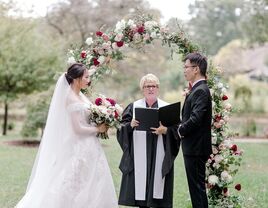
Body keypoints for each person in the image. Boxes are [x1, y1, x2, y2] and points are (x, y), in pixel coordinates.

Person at [15, 63, 118, 208]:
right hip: (78, 146)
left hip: (90, 145)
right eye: (86, 77)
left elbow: (87, 116)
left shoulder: (80, 94)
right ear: (76, 79)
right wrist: (97, 129)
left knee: (92, 180)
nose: (89, 80)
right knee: (75, 181)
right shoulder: (70, 98)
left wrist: (102, 115)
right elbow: (77, 128)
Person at [117, 74, 180, 208]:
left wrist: (165, 130)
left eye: (154, 86)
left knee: (158, 188)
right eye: (147, 86)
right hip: (140, 152)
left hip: (160, 150)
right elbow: (120, 128)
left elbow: (177, 130)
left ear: (158, 88)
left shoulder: (167, 107)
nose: (151, 89)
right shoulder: (133, 107)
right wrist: (130, 125)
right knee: (141, 189)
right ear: (142, 89)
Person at [178, 52, 212, 208]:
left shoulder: (201, 90)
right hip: (193, 147)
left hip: (196, 148)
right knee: (196, 190)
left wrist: (178, 130)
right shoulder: (197, 89)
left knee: (197, 190)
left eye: (186, 67)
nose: (184, 70)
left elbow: (195, 119)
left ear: (196, 69)